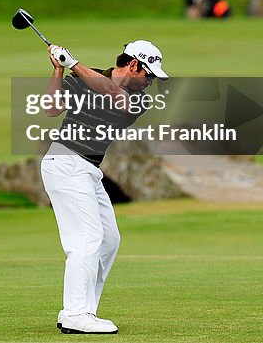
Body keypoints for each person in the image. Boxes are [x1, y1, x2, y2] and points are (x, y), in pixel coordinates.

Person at [40, 39, 169, 335]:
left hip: (87, 170)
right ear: (134, 65)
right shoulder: (84, 77)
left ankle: (83, 309)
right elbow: (50, 109)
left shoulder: (138, 99)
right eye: (149, 74)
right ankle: (75, 313)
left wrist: (73, 63)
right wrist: (59, 71)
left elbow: (113, 94)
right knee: (87, 239)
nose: (151, 82)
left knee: (109, 240)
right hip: (65, 162)